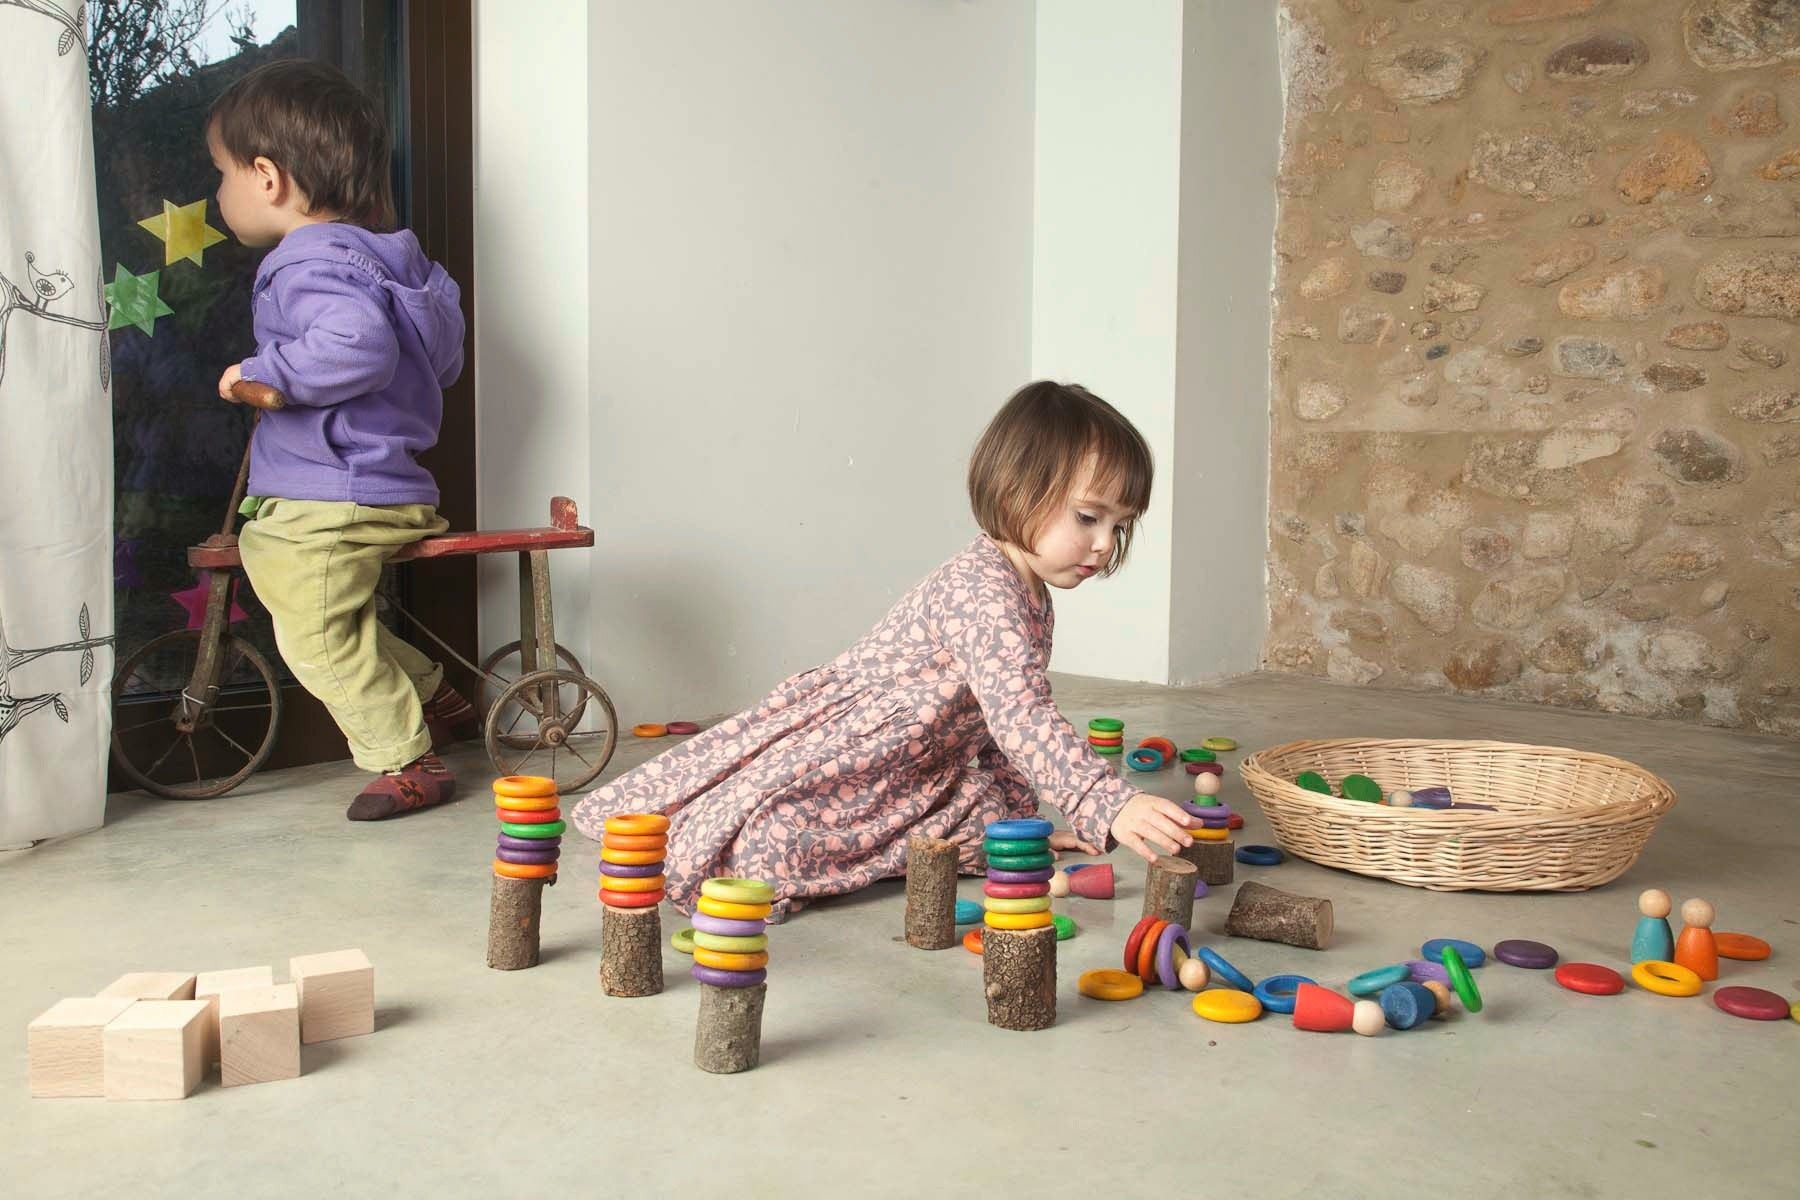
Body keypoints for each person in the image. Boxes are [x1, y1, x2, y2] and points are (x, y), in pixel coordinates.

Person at [572, 381, 1200, 920]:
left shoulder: (1031, 588)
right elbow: (1020, 718)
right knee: (765, 841)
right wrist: (1103, 799)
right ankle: (727, 837)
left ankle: (960, 830)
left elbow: (992, 726)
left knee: (983, 810)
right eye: (1088, 517)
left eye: (1120, 526)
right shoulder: (985, 592)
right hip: (861, 747)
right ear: (1015, 496)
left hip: (921, 755)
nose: (1102, 544)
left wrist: (1020, 828)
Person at [207, 59, 476, 820]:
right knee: (327, 612)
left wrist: (263, 374)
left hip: (332, 490)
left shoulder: (305, 259)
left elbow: (358, 346)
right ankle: (431, 689)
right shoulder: (399, 264)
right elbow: (443, 359)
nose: (219, 192)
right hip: (388, 483)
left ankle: (406, 757)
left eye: (221, 173)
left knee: (313, 627)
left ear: (268, 177)